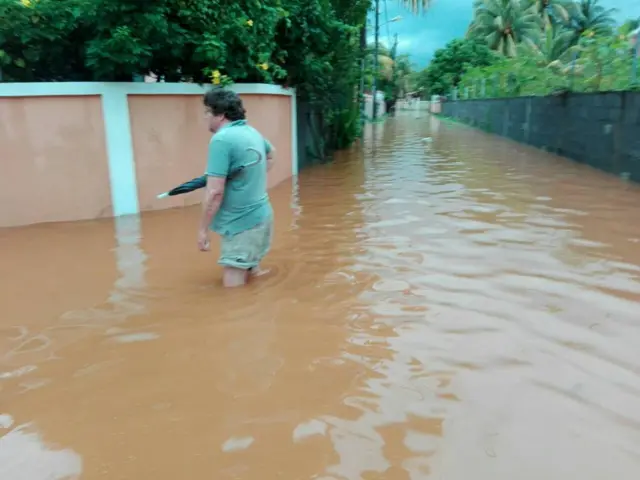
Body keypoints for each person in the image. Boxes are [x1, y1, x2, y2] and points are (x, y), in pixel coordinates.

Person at [197, 88, 275, 287]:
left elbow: (214, 192)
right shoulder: (251, 132)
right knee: (252, 274)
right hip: (262, 217)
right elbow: (270, 155)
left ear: (220, 115)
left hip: (242, 224)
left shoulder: (221, 140)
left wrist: (203, 230)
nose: (205, 117)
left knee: (232, 293)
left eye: (207, 112)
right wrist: (246, 177)